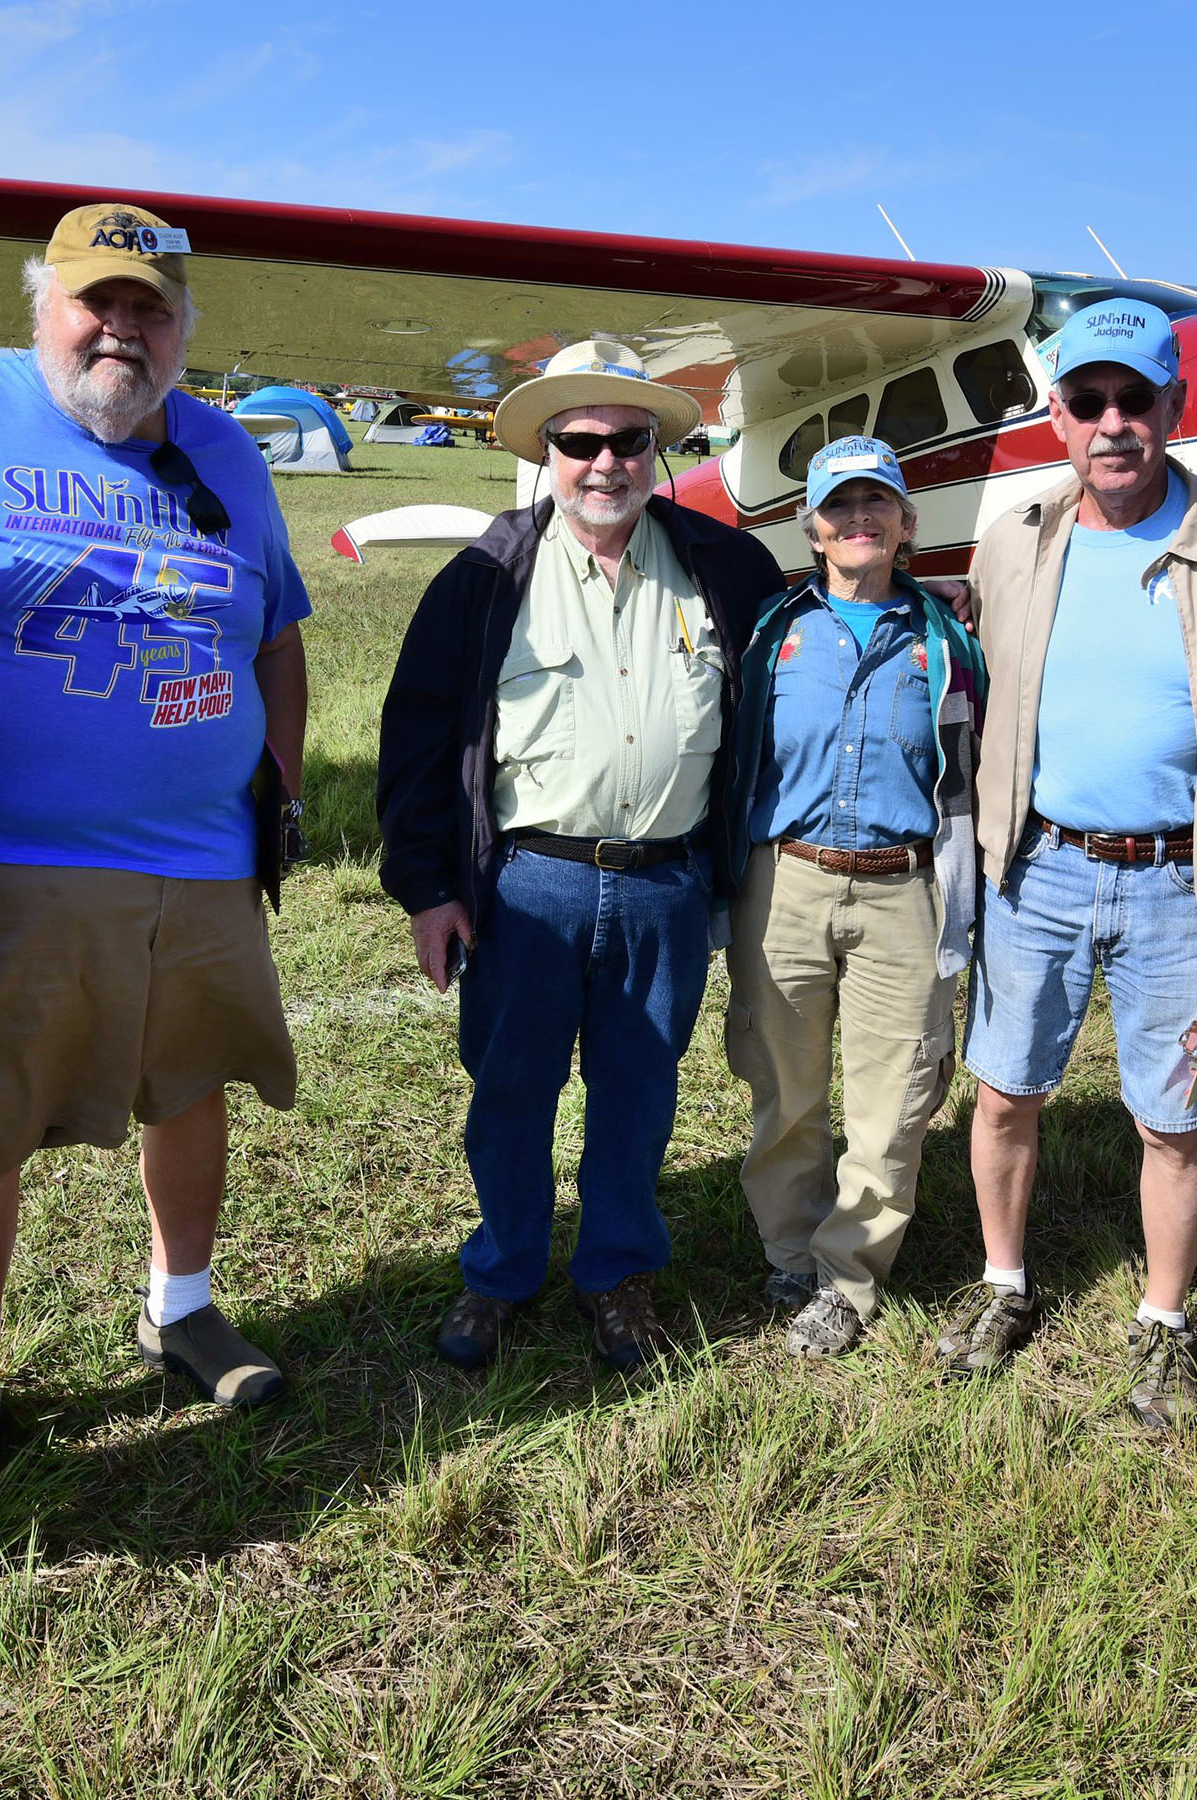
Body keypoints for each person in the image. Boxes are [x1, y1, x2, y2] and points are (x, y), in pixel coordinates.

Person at [0, 203, 309, 1525]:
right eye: (97, 302)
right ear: (41, 308)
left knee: (190, 1085)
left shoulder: (221, 450)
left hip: (202, 859)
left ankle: (183, 1312)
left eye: (150, 308)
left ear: (184, 328)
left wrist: (285, 794)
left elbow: (274, 631)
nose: (121, 329)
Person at [376, 340, 782, 1373]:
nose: (603, 463)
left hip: (666, 884)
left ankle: (616, 1278)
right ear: (547, 452)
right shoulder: (481, 576)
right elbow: (418, 739)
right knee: (509, 1087)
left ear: (655, 449)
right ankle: (500, 1271)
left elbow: (770, 723)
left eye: (626, 440)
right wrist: (428, 889)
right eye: (579, 441)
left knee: (639, 1092)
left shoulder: (724, 567)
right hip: (528, 887)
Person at [934, 299, 1197, 1432]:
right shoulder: (1015, 538)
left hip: (1184, 883)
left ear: (1173, 408)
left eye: (1135, 399)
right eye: (1087, 401)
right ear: (1057, 417)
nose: (1113, 422)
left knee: (1173, 1122)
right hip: (1032, 869)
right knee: (1002, 1096)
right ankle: (1002, 1285)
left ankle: (1165, 1322)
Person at [724, 437, 984, 1358]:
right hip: (784, 880)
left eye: (879, 503)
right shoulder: (769, 630)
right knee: (783, 1084)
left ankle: (847, 1277)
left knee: (893, 1099)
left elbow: (978, 768)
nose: (859, 520)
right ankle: (789, 1247)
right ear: (813, 529)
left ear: (909, 525)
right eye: (841, 507)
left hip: (902, 889)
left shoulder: (947, 636)